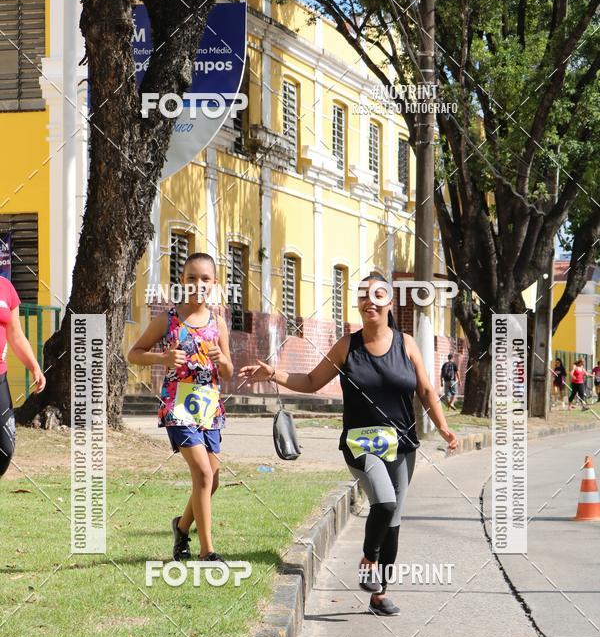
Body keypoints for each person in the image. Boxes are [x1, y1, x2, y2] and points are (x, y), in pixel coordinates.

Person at [240, 274, 458, 617]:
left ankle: (379, 593)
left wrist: (444, 428)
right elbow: (312, 381)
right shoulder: (347, 346)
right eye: (363, 296)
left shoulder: (407, 344)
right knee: (384, 503)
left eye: (378, 295)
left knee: (394, 520)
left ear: (389, 303)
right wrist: (273, 373)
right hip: (361, 445)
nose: (369, 301)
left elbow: (427, 390)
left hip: (402, 445)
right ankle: (368, 559)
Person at [127, 253, 233, 561]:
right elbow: (135, 353)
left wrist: (221, 359)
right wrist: (162, 358)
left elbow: (227, 371)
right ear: (181, 281)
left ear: (214, 284)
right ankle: (207, 551)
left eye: (205, 279)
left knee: (212, 478)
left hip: (209, 406)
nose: (197, 284)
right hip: (178, 405)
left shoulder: (218, 323)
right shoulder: (169, 319)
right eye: (191, 278)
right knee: (201, 472)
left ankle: (182, 528)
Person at [0, 274, 46, 477]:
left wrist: (34, 366)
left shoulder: (6, 288)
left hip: (0, 377)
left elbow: (16, 335)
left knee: (5, 448)